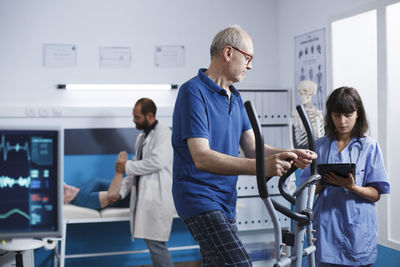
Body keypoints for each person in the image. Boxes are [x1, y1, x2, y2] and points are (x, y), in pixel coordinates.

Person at [171, 25, 317, 266]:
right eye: (248, 58)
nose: (250, 66)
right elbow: (202, 157)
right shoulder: (193, 92)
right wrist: (262, 166)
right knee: (240, 263)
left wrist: (288, 153)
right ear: (229, 53)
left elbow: (253, 148)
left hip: (226, 199)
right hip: (199, 197)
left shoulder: (235, 97)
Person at [299, 86, 390, 267]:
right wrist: (324, 182)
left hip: (358, 233)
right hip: (326, 231)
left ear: (358, 114)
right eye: (336, 115)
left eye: (348, 115)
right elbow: (304, 191)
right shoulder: (319, 146)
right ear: (330, 115)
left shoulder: (370, 147)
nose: (342, 121)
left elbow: (376, 194)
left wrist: (351, 186)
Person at [112, 98, 175, 267]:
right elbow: (135, 171)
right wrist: (121, 192)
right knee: (154, 244)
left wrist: (126, 166)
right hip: (145, 198)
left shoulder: (164, 133)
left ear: (149, 115)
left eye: (137, 117)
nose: (134, 120)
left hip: (158, 198)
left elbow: (157, 162)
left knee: (157, 245)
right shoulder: (142, 137)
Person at [63, 153, 130, 210]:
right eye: (64, 191)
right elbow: (113, 195)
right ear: (65, 201)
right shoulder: (84, 199)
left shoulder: (83, 191)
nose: (67, 187)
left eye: (63, 185)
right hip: (131, 195)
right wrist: (119, 171)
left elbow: (95, 181)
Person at [292, 80, 325, 148]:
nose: (301, 96)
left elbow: (321, 135)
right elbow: (293, 139)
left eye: (304, 93)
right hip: (302, 149)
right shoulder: (296, 115)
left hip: (319, 148)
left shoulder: (318, 114)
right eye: (300, 93)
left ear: (310, 94)